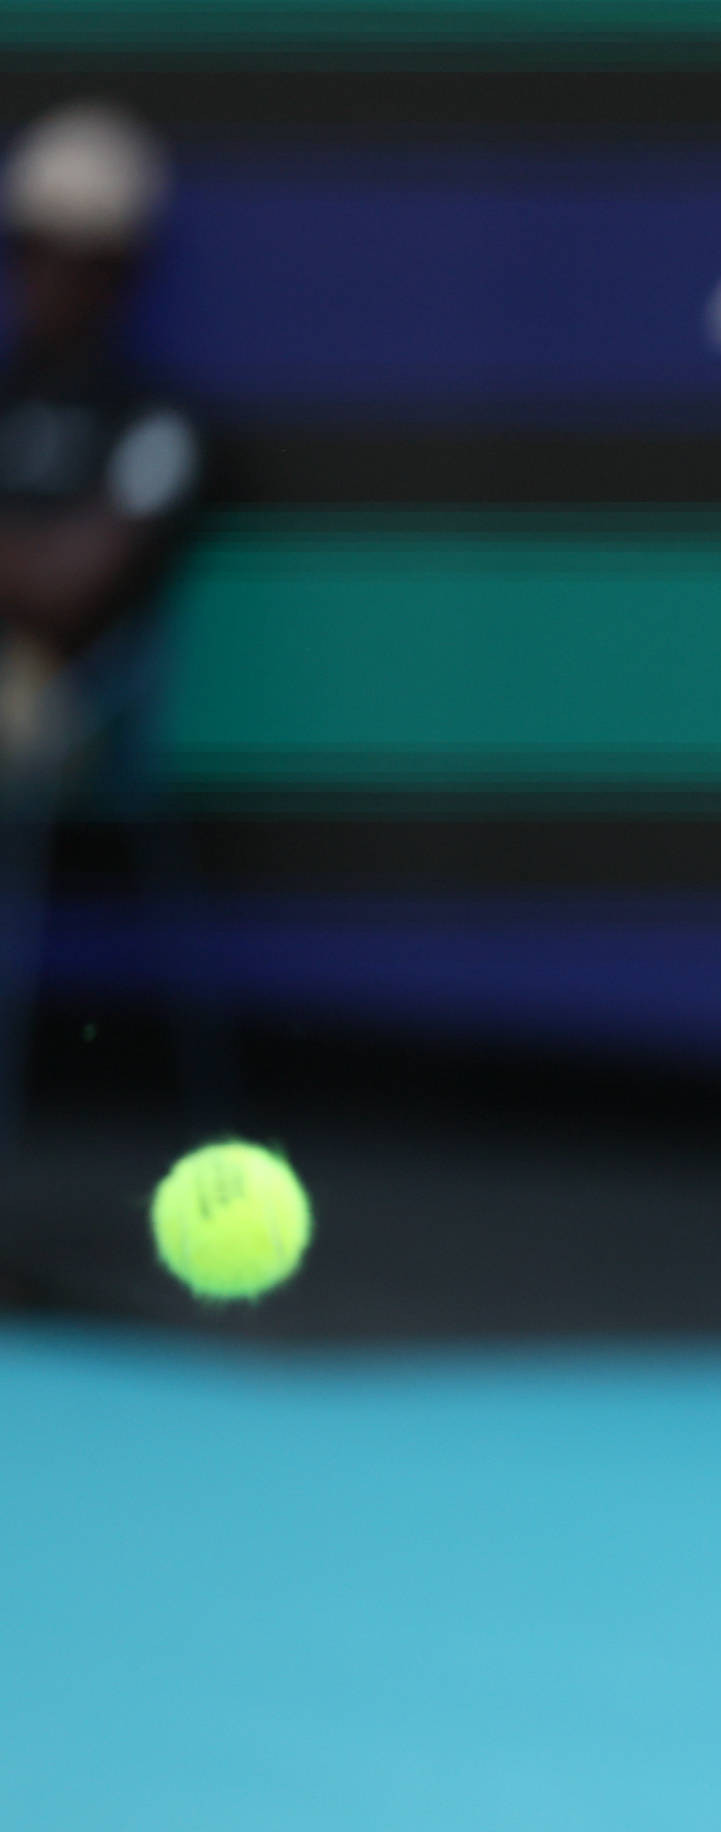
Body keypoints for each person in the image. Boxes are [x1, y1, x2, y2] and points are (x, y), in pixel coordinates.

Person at [0, 100, 218, 1169]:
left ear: (125, 270)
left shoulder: (158, 419)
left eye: (84, 256)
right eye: (32, 248)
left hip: (80, 706)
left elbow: (68, 593)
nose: (52, 277)